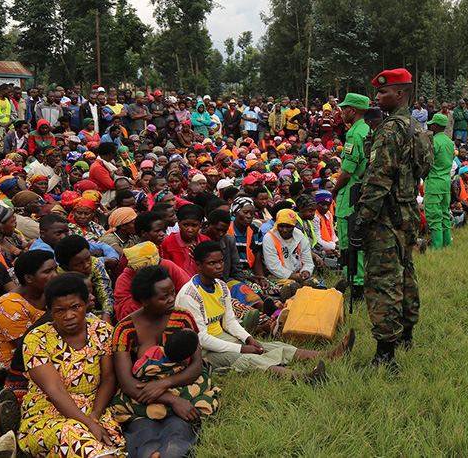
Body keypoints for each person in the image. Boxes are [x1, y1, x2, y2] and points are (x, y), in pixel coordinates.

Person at [175, 241, 349, 380]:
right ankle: (304, 378)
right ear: (198, 265)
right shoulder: (190, 294)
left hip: (223, 337)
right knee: (249, 359)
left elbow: (229, 321)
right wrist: (241, 349)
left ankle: (330, 355)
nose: (219, 266)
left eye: (221, 261)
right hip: (203, 350)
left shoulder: (221, 285)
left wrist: (249, 339)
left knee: (270, 346)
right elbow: (202, 339)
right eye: (212, 263)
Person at [353, 68, 426, 370]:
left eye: (382, 93)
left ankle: (385, 354)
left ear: (399, 94)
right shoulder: (417, 128)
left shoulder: (389, 131)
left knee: (382, 280)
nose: (377, 97)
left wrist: (362, 219)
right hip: (407, 212)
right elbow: (421, 168)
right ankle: (406, 334)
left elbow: (379, 180)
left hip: (385, 214)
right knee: (405, 271)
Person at [111, 265, 219, 458]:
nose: (172, 299)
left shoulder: (182, 318)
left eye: (173, 293)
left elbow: (196, 365)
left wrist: (165, 385)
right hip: (140, 391)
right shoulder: (125, 329)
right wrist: (169, 399)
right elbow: (127, 383)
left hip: (181, 382)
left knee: (179, 426)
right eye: (164, 297)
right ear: (145, 301)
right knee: (144, 429)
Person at [17, 273, 126, 457]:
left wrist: (94, 416)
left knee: (110, 441)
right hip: (48, 413)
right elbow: (55, 391)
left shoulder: (102, 331)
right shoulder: (37, 339)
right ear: (49, 310)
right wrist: (88, 424)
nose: (69, 316)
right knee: (72, 435)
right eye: (59, 310)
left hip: (93, 408)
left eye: (75, 307)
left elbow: (108, 379)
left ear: (87, 303)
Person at [331, 94, 370, 301]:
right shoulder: (368, 130)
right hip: (364, 194)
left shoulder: (354, 134)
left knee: (348, 243)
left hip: (350, 196)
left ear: (353, 111)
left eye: (344, 109)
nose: (342, 112)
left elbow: (346, 172)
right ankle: (361, 283)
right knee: (360, 241)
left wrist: (334, 190)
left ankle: (356, 289)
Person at [0, 251, 56, 369]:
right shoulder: (9, 306)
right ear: (28, 278)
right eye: (48, 271)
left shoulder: (46, 295)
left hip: (46, 357)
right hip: (15, 367)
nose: (55, 275)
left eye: (55, 269)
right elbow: (28, 348)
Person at [53, 235, 115, 325]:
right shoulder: (60, 278)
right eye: (79, 264)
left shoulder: (94, 263)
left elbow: (105, 292)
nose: (87, 265)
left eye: (88, 259)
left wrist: (107, 314)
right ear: (66, 266)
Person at [425, 113, 455, 249]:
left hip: (434, 183)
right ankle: (446, 244)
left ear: (435, 126)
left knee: (433, 214)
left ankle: (436, 246)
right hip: (446, 182)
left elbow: (427, 163)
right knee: (444, 212)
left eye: (432, 124)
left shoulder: (433, 142)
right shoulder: (450, 142)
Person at [160, 204, 210, 276]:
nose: (190, 230)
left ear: (200, 225)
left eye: (194, 225)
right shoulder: (168, 242)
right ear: (179, 223)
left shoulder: (206, 241)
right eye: (185, 225)